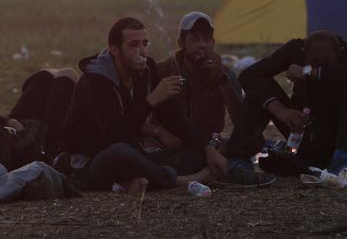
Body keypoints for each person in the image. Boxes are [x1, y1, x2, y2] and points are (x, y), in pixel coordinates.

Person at [61, 17, 228, 194]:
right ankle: (179, 180)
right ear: (115, 50)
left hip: (135, 156)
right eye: (133, 45)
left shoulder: (146, 70)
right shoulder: (96, 80)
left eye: (144, 44)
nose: (141, 51)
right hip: (92, 162)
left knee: (200, 150)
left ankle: (140, 180)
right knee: (121, 152)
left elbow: (173, 118)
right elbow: (114, 134)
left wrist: (207, 146)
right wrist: (151, 101)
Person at [223, 30, 347, 184]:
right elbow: (249, 75)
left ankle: (342, 158)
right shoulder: (296, 50)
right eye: (312, 62)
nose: (315, 66)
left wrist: (308, 72)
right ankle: (238, 158)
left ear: (339, 53)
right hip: (302, 129)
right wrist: (281, 111)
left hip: (342, 139)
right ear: (304, 53)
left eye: (324, 64)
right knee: (259, 90)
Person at [151, 12, 243, 147]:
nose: (202, 45)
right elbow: (138, 119)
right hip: (167, 143)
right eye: (195, 39)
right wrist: (160, 133)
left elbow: (242, 122)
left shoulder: (224, 73)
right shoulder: (162, 71)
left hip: (207, 143)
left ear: (213, 43)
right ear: (182, 43)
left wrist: (222, 79)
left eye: (207, 39)